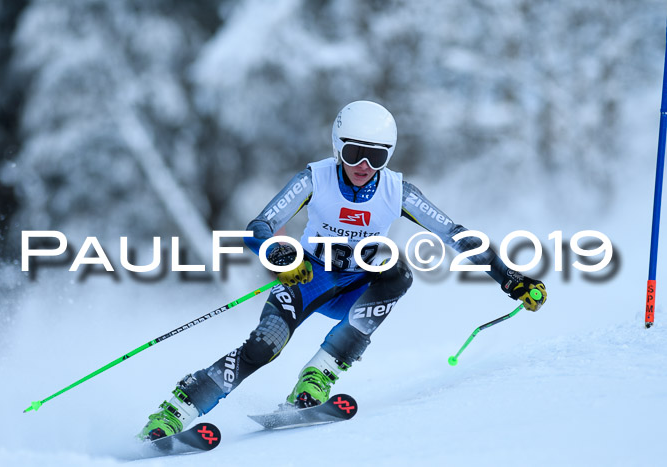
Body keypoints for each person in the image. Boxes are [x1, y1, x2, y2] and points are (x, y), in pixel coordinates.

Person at [138, 100, 547, 439]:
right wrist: (282, 256)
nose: (364, 164)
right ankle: (173, 414)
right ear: (338, 147)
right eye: (354, 153)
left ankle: (317, 378)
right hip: (307, 279)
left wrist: (509, 278)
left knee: (397, 271)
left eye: (377, 156)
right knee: (263, 348)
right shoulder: (315, 179)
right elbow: (258, 228)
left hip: (358, 285)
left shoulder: (396, 190)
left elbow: (456, 234)